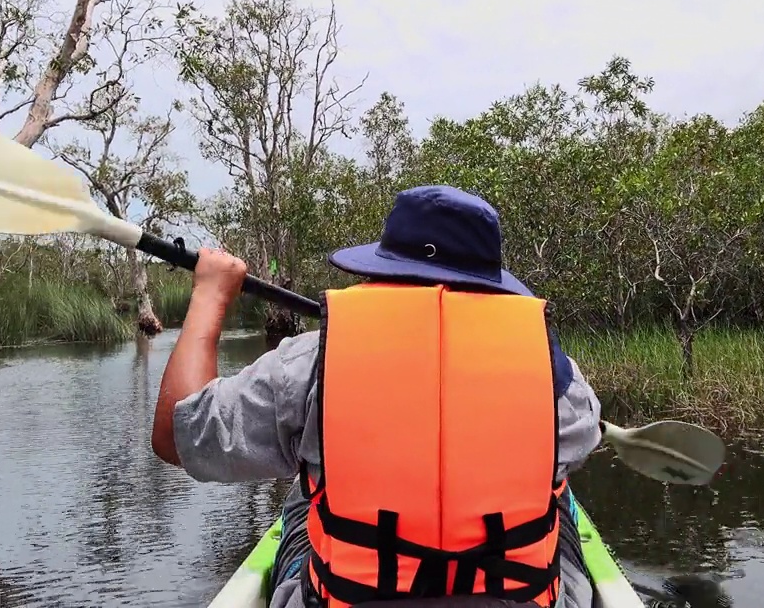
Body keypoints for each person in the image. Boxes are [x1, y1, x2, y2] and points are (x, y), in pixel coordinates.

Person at [151, 185, 603, 608]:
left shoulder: (310, 362)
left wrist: (210, 293)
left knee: (307, 489)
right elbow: (583, 440)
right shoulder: (553, 373)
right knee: (557, 493)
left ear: (383, 269)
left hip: (351, 595)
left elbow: (176, 434)